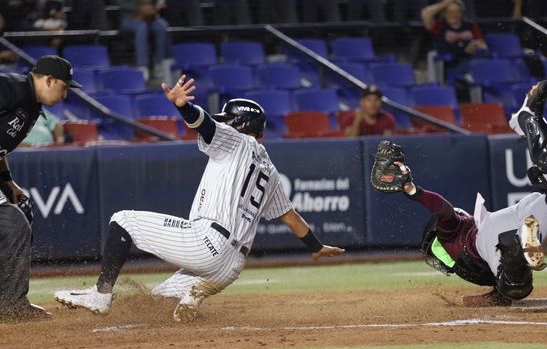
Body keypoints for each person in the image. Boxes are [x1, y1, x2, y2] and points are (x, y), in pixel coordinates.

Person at [54, 74, 345, 322]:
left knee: (122, 221)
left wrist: (184, 107)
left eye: (229, 120)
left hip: (208, 243)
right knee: (155, 304)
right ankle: (193, 295)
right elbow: (289, 216)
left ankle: (100, 295)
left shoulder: (237, 141)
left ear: (242, 125)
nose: (225, 124)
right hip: (230, 268)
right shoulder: (270, 171)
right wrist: (316, 246)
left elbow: (204, 124)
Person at [370, 80, 547, 306]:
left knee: (515, 287)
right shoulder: (468, 262)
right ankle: (530, 119)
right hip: (516, 217)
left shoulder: (452, 237)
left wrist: (414, 191)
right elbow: (499, 296)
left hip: (490, 239)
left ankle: (518, 244)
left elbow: (443, 211)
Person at [0, 55, 82, 322]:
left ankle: (10, 301)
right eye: (64, 86)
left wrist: (9, 181)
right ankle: (11, 305)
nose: (66, 94)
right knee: (13, 222)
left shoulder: (32, 107)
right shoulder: (11, 87)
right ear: (48, 79)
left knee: (19, 214)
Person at [114, 0, 169, 81]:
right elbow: (121, 2)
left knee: (162, 26)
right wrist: (140, 9)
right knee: (141, 27)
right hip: (130, 18)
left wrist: (158, 5)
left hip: (152, 16)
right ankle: (143, 65)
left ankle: (160, 63)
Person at [421, 0, 487, 86]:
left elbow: (482, 43)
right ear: (444, 13)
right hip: (452, 63)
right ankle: (470, 75)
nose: (454, 15)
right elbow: (425, 13)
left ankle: (472, 75)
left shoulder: (470, 25)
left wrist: (475, 45)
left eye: (457, 12)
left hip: (471, 59)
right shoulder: (439, 26)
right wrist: (442, 4)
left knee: (483, 53)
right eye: (451, 12)